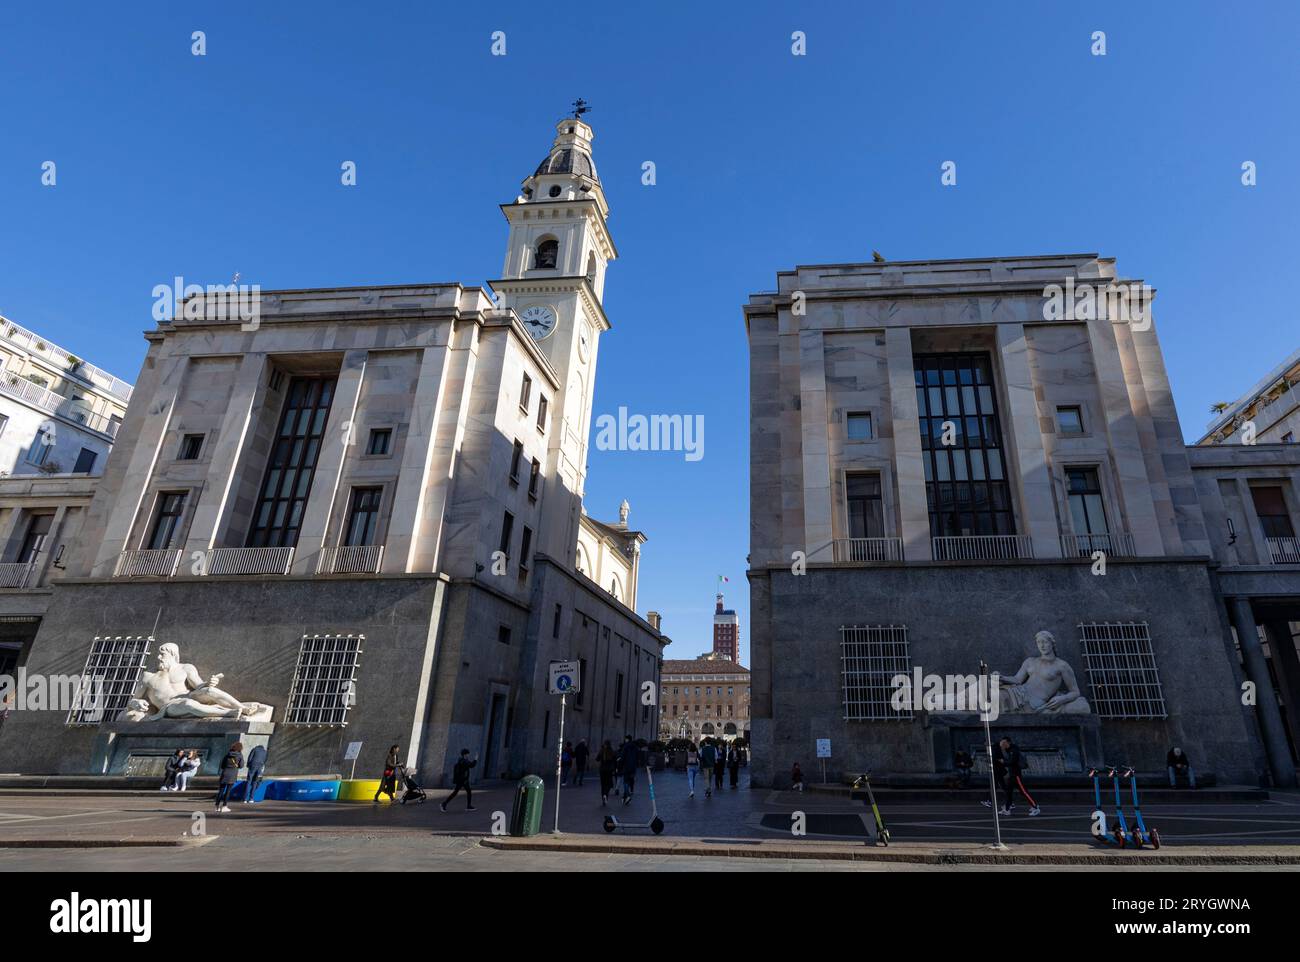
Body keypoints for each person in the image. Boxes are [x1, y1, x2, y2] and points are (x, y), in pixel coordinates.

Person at [984, 736, 1039, 816]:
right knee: (1009, 793)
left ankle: (1035, 807)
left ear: (1008, 742)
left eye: (1003, 743)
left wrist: (1003, 762)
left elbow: (1012, 762)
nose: (1002, 744)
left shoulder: (1014, 750)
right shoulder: (1008, 750)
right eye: (1001, 743)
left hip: (1016, 775)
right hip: (1011, 775)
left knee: (1023, 792)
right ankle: (1006, 809)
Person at [215, 741, 243, 813]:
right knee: (228, 791)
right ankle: (224, 806)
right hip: (232, 774)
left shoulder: (227, 754)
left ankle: (217, 806)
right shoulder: (239, 755)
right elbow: (241, 765)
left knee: (221, 790)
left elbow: (222, 765)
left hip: (225, 773)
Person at [618, 735, 640, 805]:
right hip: (633, 767)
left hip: (626, 766)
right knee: (629, 781)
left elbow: (622, 757)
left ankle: (627, 795)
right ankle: (624, 798)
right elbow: (638, 757)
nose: (625, 740)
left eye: (625, 739)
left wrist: (620, 764)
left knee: (625, 782)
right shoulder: (635, 747)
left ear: (627, 739)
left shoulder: (626, 746)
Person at [597, 740, 618, 805]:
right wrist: (615, 768)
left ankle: (603, 798)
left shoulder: (601, 751)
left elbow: (597, 759)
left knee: (603, 785)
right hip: (609, 770)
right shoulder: (612, 751)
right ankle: (606, 795)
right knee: (609, 784)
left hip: (602, 770)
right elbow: (615, 761)